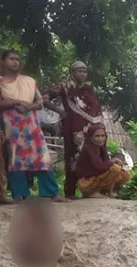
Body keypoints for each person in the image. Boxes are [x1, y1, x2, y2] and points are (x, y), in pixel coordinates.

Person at [0, 50, 65, 201]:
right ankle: (20, 195)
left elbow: (39, 102)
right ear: (3, 62)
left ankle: (51, 192)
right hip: (11, 126)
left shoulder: (29, 81)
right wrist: (17, 102)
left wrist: (27, 107)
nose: (15, 62)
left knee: (42, 156)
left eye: (18, 59)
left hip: (32, 125)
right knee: (15, 158)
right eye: (11, 59)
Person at [51, 61, 103, 199]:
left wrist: (97, 126)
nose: (83, 74)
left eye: (85, 71)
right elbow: (43, 99)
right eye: (79, 71)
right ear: (72, 73)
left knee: (91, 159)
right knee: (73, 160)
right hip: (73, 129)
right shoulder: (65, 87)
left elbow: (96, 110)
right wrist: (60, 112)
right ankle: (70, 192)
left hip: (90, 130)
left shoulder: (89, 89)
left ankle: (90, 190)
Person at [75, 124, 130, 198]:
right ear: (91, 137)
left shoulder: (100, 148)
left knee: (125, 174)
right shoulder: (89, 149)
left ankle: (108, 192)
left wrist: (114, 162)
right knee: (115, 168)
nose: (101, 138)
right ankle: (92, 193)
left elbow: (105, 164)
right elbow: (99, 166)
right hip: (86, 183)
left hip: (96, 179)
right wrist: (113, 161)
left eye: (102, 136)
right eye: (97, 136)